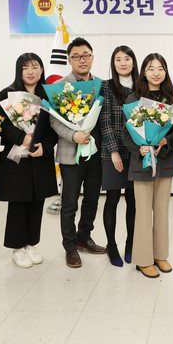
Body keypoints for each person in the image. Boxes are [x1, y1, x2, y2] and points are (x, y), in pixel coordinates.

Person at [0, 53, 58, 268]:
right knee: (18, 201)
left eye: (35, 66)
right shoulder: (7, 94)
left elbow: (56, 127)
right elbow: (1, 125)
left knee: (37, 201)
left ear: (41, 70)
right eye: (25, 67)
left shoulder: (47, 95)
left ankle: (31, 244)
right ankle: (17, 248)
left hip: (39, 155)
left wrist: (44, 147)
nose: (30, 72)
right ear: (18, 70)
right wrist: (23, 137)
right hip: (16, 156)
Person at [50, 37, 107, 269]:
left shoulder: (102, 85)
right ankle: (70, 246)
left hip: (96, 154)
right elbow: (54, 120)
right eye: (76, 56)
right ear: (69, 60)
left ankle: (84, 237)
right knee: (69, 202)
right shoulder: (60, 86)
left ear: (92, 58)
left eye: (86, 55)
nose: (82, 60)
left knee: (92, 199)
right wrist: (73, 135)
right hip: (71, 152)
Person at [122, 53, 173, 278]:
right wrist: (140, 149)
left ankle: (160, 255)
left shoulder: (170, 99)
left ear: (165, 72)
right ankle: (143, 259)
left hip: (165, 161)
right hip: (142, 164)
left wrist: (165, 141)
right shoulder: (133, 99)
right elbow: (125, 134)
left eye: (160, 68)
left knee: (162, 211)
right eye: (151, 68)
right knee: (144, 213)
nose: (156, 73)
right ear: (143, 72)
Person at [100, 46, 138, 267]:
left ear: (133, 61)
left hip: (136, 151)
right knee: (112, 198)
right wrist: (113, 151)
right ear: (113, 64)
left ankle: (131, 244)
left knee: (133, 200)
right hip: (112, 151)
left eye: (127, 58)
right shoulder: (106, 86)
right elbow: (104, 120)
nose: (123, 63)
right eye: (118, 59)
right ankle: (111, 245)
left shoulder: (141, 86)